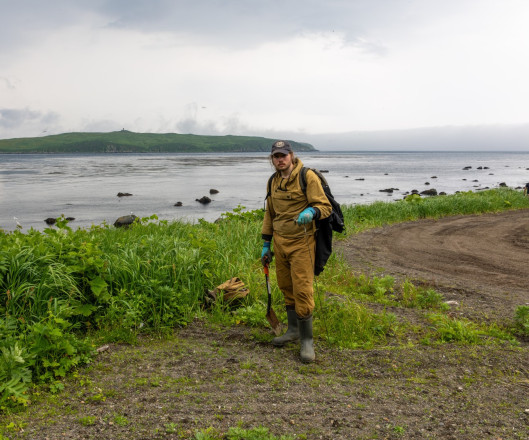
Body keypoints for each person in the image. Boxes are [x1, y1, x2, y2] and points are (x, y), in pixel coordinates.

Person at [261, 140, 331, 363]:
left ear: (291, 155)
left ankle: (307, 341)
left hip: (302, 242)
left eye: (283, 155)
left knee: (302, 289)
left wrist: (312, 211)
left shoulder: (307, 176)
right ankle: (292, 331)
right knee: (286, 286)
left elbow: (325, 206)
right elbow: (269, 214)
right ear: (272, 159)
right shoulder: (272, 181)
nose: (280, 160)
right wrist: (266, 244)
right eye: (276, 156)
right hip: (280, 244)